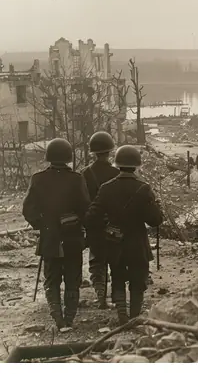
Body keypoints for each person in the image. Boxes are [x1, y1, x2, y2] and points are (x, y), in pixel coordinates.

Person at [86, 145, 163, 325]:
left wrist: (107, 226)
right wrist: (156, 207)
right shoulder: (144, 188)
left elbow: (91, 216)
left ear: (118, 164)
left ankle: (121, 314)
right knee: (138, 280)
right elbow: (155, 220)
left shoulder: (106, 188)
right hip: (137, 243)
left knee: (118, 277)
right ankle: (134, 317)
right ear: (137, 165)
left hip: (115, 242)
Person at [22, 138, 90, 329]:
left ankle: (58, 319)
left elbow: (28, 210)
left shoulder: (38, 178)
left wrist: (42, 225)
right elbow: (86, 209)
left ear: (48, 157)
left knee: (51, 280)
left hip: (50, 238)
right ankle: (69, 318)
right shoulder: (77, 179)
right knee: (72, 279)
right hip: (73, 238)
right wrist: (79, 225)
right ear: (69, 157)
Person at [81, 131, 119, 309]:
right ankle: (117, 298)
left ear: (93, 152)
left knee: (97, 261)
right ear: (110, 151)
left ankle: (101, 297)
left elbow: (81, 201)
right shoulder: (116, 173)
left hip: (94, 223)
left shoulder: (84, 174)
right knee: (115, 259)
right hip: (114, 223)